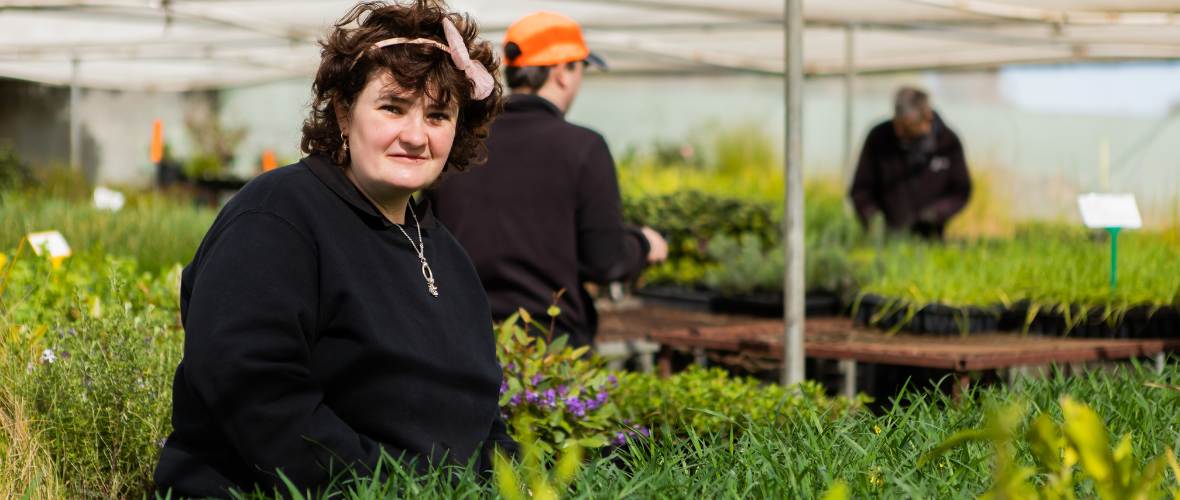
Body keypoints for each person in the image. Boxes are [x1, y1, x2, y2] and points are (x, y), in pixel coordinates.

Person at [153, 1, 514, 496]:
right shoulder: (279, 215)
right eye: (392, 107)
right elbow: (253, 387)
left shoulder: (445, 252)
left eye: (437, 115)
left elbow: (478, 417)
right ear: (344, 112)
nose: (415, 135)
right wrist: (382, 488)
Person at [425, 11, 667, 349]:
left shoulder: (460, 142)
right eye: (580, 68)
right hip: (550, 354)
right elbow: (604, 260)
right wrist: (644, 244)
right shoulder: (583, 147)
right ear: (562, 72)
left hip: (463, 340)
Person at [849, 86, 972, 239]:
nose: (899, 134)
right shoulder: (878, 138)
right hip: (885, 238)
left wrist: (934, 215)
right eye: (897, 126)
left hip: (931, 238)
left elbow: (961, 191)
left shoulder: (948, 143)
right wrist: (874, 221)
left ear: (927, 117)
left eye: (907, 128)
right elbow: (861, 190)